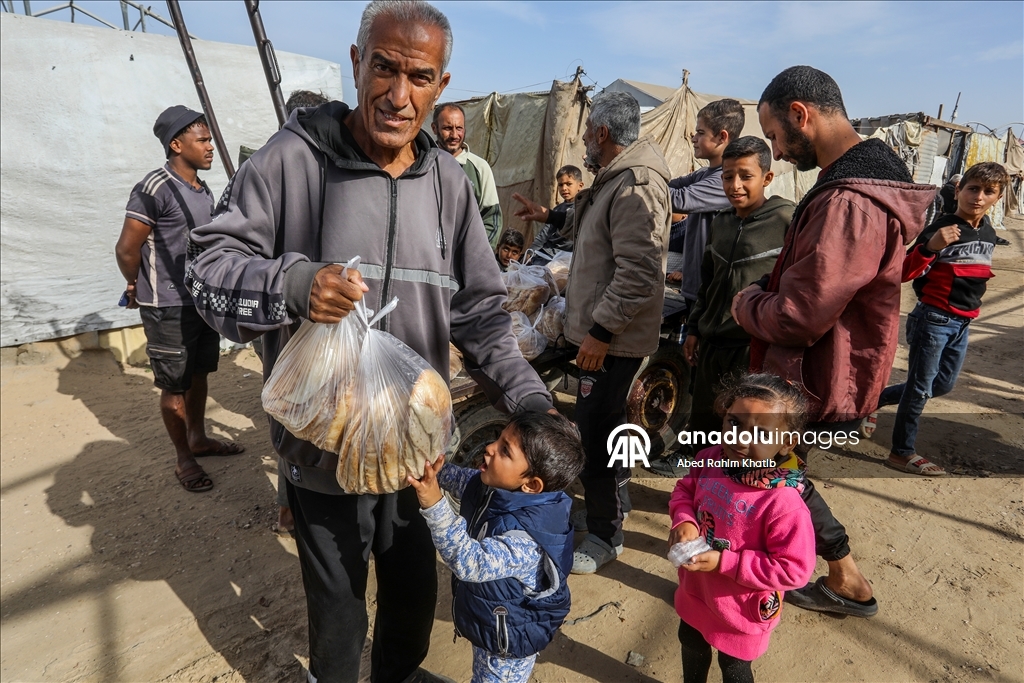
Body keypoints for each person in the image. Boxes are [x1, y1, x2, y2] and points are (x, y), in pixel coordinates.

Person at [184, 2, 555, 681]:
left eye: (419, 76)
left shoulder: (448, 184)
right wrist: (293, 283)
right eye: (383, 68)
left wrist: (531, 398)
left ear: (441, 85)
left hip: (417, 454)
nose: (398, 94)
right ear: (357, 64)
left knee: (412, 606)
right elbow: (205, 269)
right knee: (338, 617)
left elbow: (479, 310)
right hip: (322, 450)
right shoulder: (296, 159)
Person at [731, 65, 935, 618]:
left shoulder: (848, 200)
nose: (777, 147)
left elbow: (799, 317)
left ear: (802, 114)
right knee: (780, 473)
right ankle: (842, 574)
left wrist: (745, 301)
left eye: (775, 135)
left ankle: (844, 575)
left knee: (776, 473)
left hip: (814, 378)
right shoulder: (857, 184)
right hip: (822, 373)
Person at [512, 91, 671, 574]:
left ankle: (607, 534)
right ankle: (604, 509)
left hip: (613, 339)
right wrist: (548, 216)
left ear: (601, 133)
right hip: (602, 334)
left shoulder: (637, 183)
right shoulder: (617, 177)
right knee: (595, 430)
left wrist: (600, 333)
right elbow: (590, 219)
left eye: (586, 132)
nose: (583, 140)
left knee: (599, 433)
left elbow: (640, 271)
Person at [114, 105, 243, 494]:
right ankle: (183, 458)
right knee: (173, 385)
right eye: (201, 140)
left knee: (199, 374)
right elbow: (126, 248)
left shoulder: (203, 190)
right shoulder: (155, 187)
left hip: (200, 300)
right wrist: (134, 286)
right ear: (176, 144)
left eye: (208, 139)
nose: (209, 147)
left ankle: (198, 437)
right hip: (166, 305)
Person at [406, 412, 585, 683]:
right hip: (493, 620)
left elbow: (468, 561)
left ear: (532, 485)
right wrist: (434, 470)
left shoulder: (526, 541)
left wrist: (434, 504)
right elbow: (464, 482)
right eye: (499, 438)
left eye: (504, 450)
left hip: (508, 646)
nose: (489, 448)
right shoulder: (500, 488)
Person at [668, 373, 815, 683]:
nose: (739, 439)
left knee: (734, 669)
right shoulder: (710, 460)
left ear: (787, 443)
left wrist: (725, 562)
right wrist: (684, 520)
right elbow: (685, 490)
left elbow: (794, 570)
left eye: (760, 433)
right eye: (733, 423)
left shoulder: (783, 502)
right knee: (690, 642)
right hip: (696, 592)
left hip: (741, 612)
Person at [870, 162, 1008, 476]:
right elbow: (903, 272)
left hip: (962, 324)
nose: (978, 197)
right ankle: (901, 453)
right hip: (933, 320)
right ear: (958, 190)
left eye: (988, 192)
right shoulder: (940, 229)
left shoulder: (988, 231)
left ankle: (873, 401)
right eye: (972, 188)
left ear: (997, 198)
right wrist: (931, 248)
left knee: (941, 385)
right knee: (919, 389)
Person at [681, 137, 794, 439]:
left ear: (767, 177)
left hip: (750, 350)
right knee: (703, 428)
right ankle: (702, 486)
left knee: (743, 435)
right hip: (710, 347)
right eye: (728, 176)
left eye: (746, 176)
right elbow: (709, 281)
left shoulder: (786, 220)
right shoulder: (721, 222)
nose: (735, 185)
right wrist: (694, 329)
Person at [665, 100, 743, 296]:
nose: (693, 139)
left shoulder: (725, 179)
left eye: (700, 133)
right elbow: (669, 185)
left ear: (721, 137)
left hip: (709, 289)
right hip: (695, 284)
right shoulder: (703, 174)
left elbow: (678, 199)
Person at [432, 102, 503, 249]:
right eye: (447, 128)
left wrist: (476, 254)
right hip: (428, 256)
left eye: (459, 128)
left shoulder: (479, 167)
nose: (454, 135)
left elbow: (492, 218)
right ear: (434, 128)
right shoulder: (423, 163)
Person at [528, 165, 583, 260]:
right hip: (548, 253)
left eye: (568, 184)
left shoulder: (584, 207)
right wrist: (530, 252)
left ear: (580, 185)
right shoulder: (558, 209)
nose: (564, 188)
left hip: (567, 257)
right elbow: (545, 233)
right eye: (560, 185)